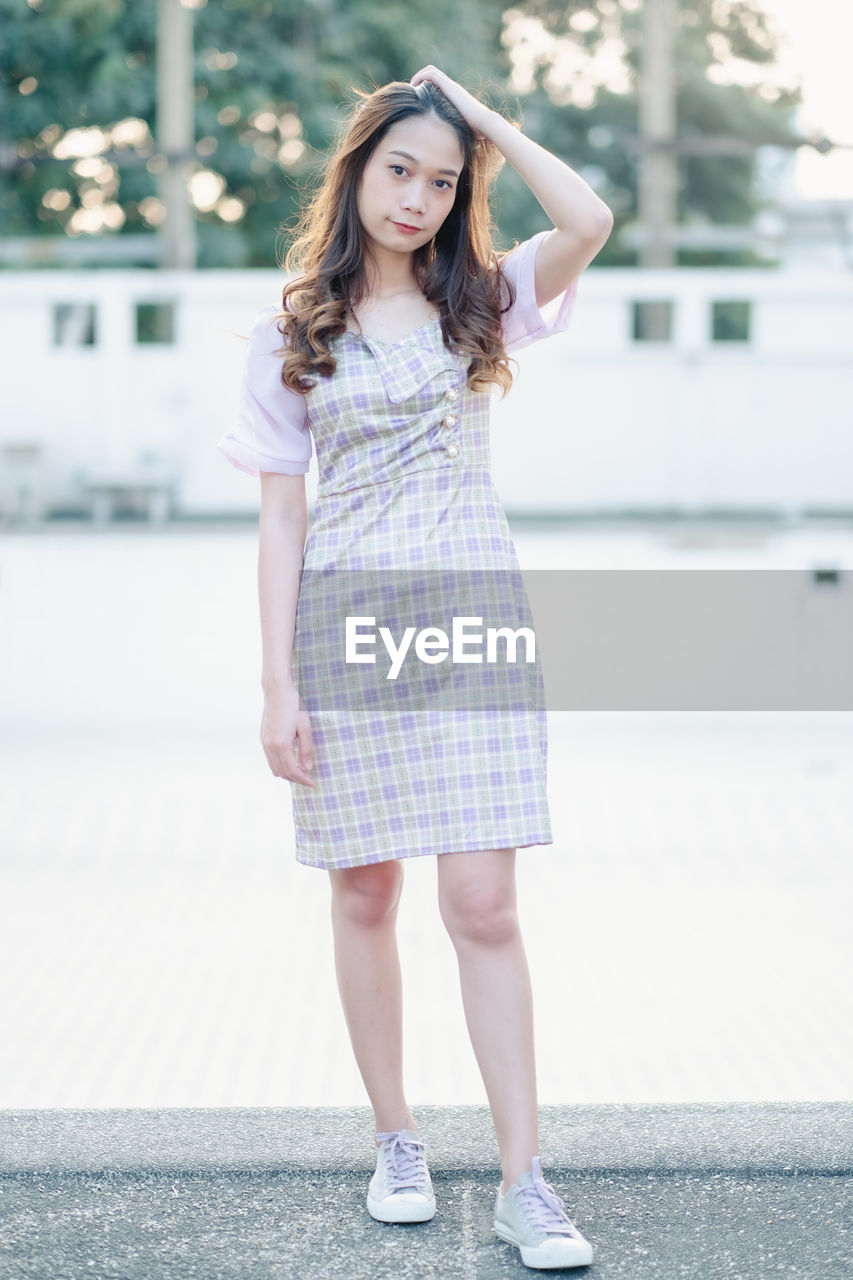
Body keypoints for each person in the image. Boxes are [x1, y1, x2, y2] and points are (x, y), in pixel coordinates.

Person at [218, 65, 612, 1271]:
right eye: (401, 169)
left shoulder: (483, 301)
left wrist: (484, 124)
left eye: (443, 181)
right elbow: (282, 521)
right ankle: (396, 1138)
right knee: (366, 891)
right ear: (357, 173)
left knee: (482, 903)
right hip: (347, 630)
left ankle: (524, 1179)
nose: (420, 196)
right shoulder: (294, 327)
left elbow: (590, 221)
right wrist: (278, 686)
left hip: (470, 622)